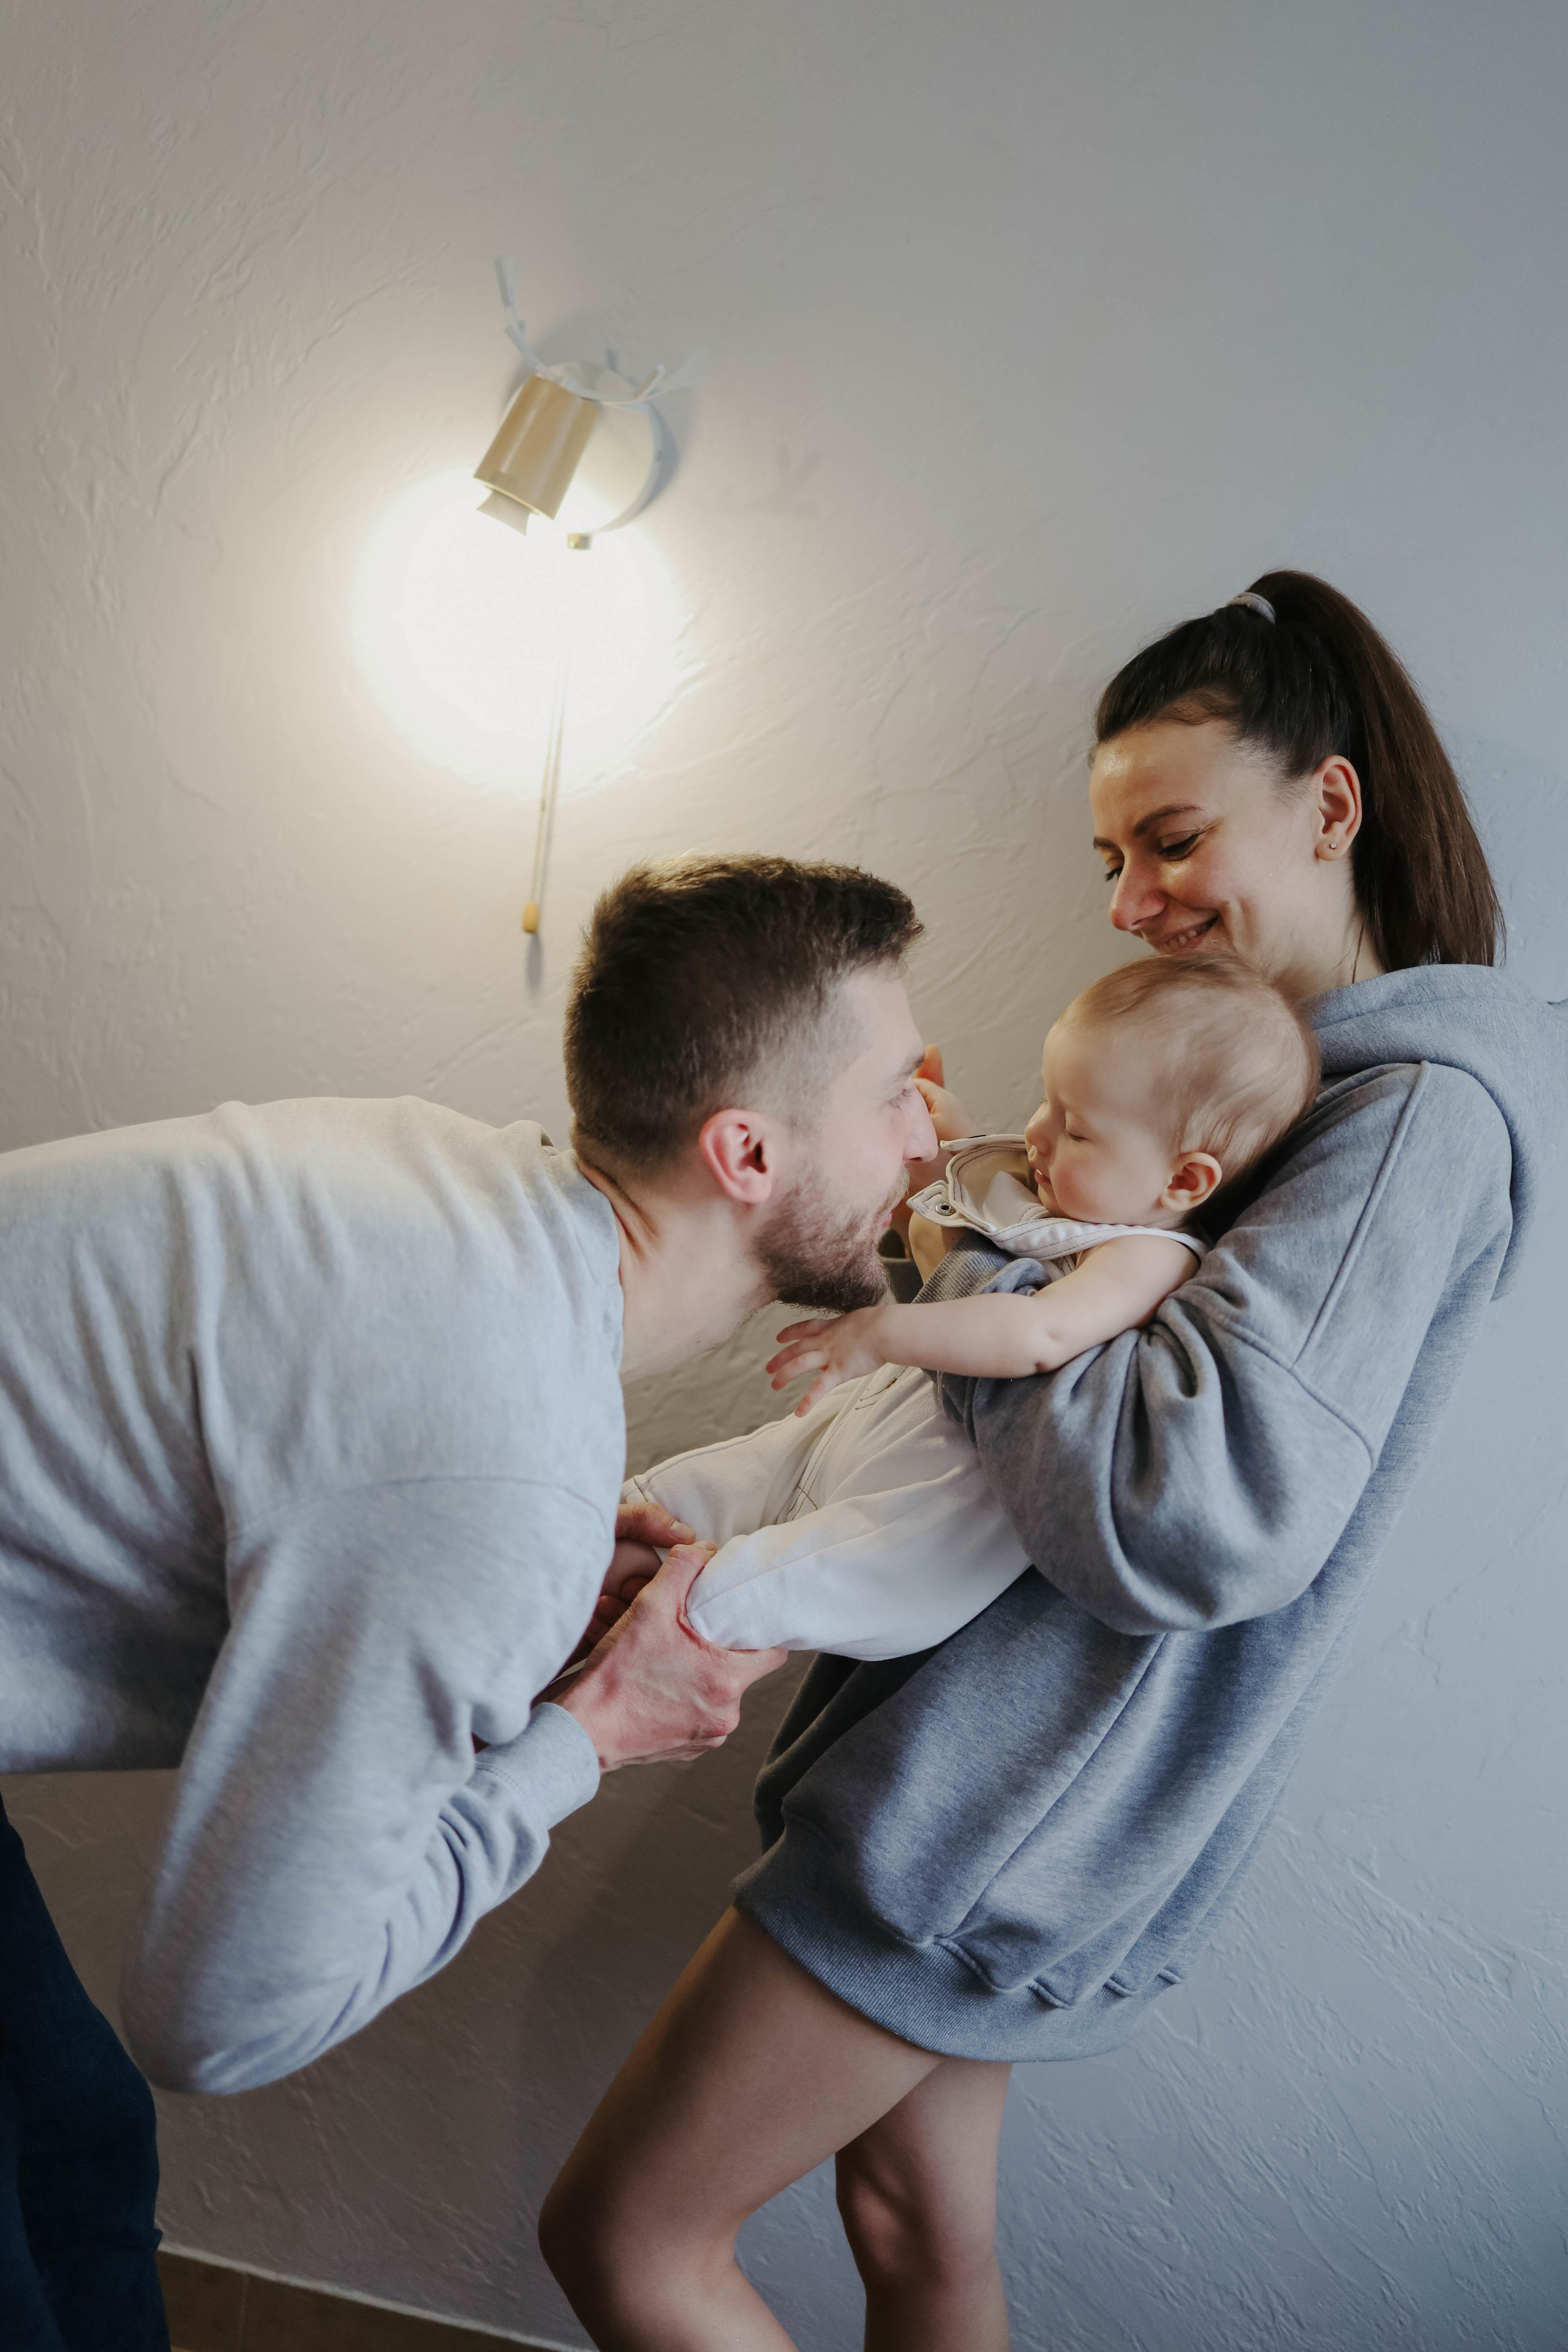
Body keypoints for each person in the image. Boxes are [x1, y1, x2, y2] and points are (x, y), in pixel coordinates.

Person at [539, 574, 1568, 2352]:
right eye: (1115, 859)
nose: (1133, 902)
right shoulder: (1273, 1097)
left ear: (1332, 805)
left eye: (1172, 838)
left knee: (626, 2240)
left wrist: (973, 1281)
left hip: (992, 1815)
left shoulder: (1415, 1125)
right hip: (991, 1790)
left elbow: (1200, 1515)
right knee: (911, 2233)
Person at [0, 853, 939, 2352]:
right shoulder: (493, 1455)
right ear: (745, 1152)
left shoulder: (468, 1204)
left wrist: (534, 1598)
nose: (930, 1128)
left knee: (71, 2158)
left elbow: (347, 1489)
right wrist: (589, 1735)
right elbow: (224, 2017)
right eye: (896, 1086)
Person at [622, 956, 1317, 1661]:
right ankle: (615, 1548)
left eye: (1075, 1128)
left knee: (779, 1580)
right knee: (712, 1482)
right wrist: (944, 1152)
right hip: (870, 1426)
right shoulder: (1056, 1189)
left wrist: (882, 1330)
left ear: (1182, 1178)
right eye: (1048, 1101)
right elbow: (974, 1208)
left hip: (939, 1504)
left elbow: (1037, 1332)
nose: (1040, 1131)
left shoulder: (1149, 1255)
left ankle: (671, 1627)